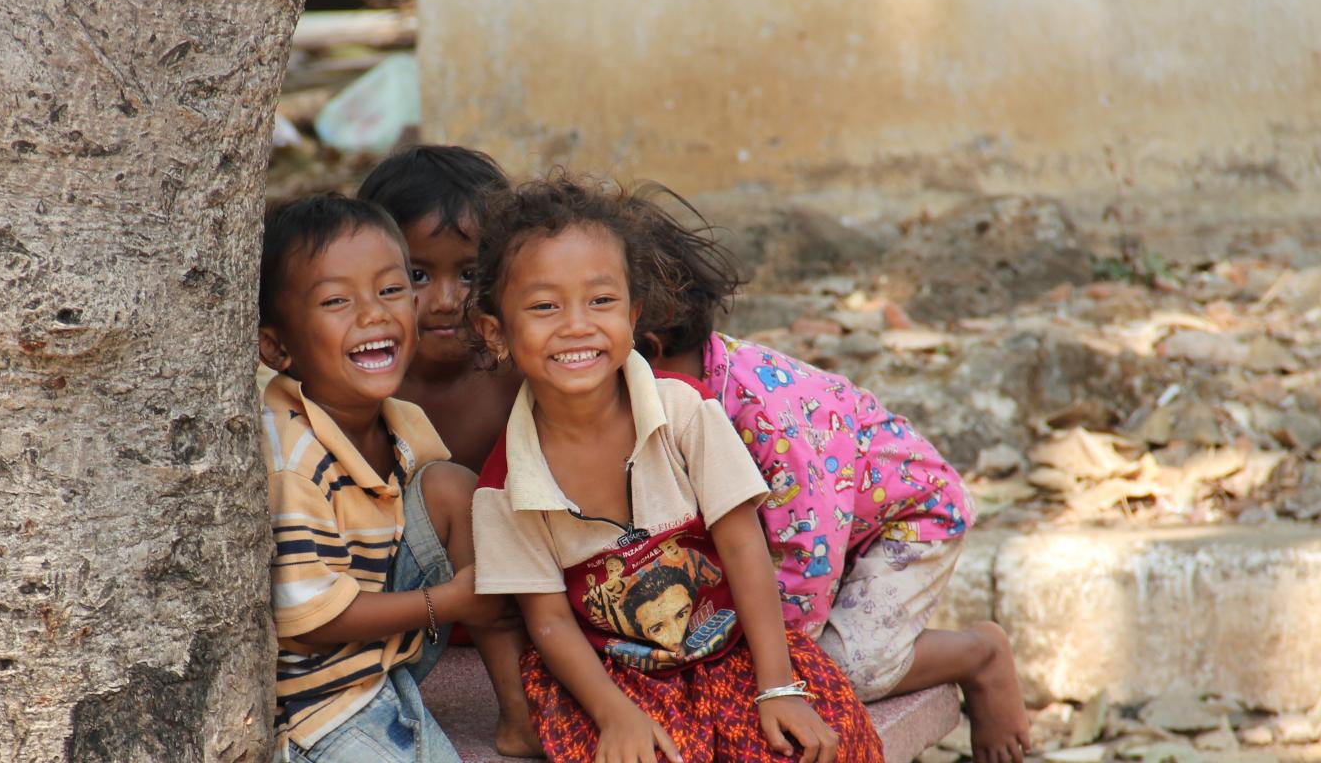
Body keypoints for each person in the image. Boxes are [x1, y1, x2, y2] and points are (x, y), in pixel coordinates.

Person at [465, 175, 883, 763]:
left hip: (735, 652)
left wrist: (779, 687)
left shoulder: (684, 409)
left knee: (821, 747)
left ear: (634, 316)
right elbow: (551, 622)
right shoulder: (506, 484)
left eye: (601, 301)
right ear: (496, 332)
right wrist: (616, 716)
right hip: (613, 675)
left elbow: (744, 549)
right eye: (543, 306)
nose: (577, 324)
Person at [627, 188, 1032, 763]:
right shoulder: (668, 394)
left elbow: (807, 554)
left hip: (907, 518)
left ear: (646, 348)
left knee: (839, 668)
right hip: (829, 526)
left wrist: (773, 668)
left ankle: (979, 655)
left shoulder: (760, 419)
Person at [256, 193, 535, 761]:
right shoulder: (291, 455)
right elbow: (309, 622)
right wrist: (450, 603)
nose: (374, 314)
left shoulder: (403, 423)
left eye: (390, 288)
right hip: (318, 703)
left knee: (453, 489)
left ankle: (520, 713)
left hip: (384, 660)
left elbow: (443, 523)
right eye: (337, 300)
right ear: (277, 346)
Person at [356, 145, 520, 471]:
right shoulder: (358, 381)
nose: (446, 301)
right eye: (417, 275)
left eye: (469, 275)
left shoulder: (513, 375)